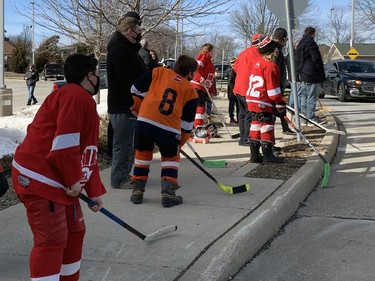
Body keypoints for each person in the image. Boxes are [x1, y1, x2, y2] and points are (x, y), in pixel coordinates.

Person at [11, 53, 106, 281]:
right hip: (39, 178)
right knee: (52, 240)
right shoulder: (75, 95)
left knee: (75, 234)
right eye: (97, 74)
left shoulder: (80, 98)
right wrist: (74, 180)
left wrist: (93, 190)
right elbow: (65, 145)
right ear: (90, 75)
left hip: (60, 179)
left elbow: (86, 151)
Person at [129, 55, 198, 207]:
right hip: (169, 127)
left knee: (142, 155)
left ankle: (137, 192)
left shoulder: (158, 71)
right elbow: (186, 124)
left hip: (145, 122)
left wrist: (139, 108)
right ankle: (168, 194)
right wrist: (180, 142)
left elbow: (135, 89)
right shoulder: (191, 91)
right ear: (191, 72)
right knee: (171, 159)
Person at [107, 11, 147, 189]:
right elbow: (127, 79)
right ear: (130, 31)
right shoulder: (120, 50)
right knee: (123, 146)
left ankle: (125, 175)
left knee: (129, 145)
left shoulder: (127, 49)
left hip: (130, 105)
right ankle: (119, 179)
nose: (140, 32)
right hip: (125, 106)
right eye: (138, 28)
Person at [247, 36, 286, 163]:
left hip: (252, 99)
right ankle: (268, 155)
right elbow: (273, 91)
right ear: (273, 51)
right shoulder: (271, 66)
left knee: (256, 124)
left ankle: (254, 155)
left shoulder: (257, 63)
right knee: (266, 125)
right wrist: (280, 102)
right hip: (262, 100)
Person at [232, 34, 263, 146]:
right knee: (249, 114)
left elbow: (235, 66)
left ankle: (242, 137)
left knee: (241, 114)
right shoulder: (257, 54)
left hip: (239, 87)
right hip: (248, 88)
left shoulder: (244, 52)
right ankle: (246, 138)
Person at [296, 27, 325, 124]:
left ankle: (303, 118)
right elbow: (316, 57)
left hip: (303, 73)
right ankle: (311, 118)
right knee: (311, 96)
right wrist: (318, 66)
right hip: (311, 73)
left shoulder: (301, 43)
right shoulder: (310, 43)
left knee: (303, 96)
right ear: (313, 33)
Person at [272, 27, 294, 135]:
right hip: (275, 86)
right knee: (277, 109)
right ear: (283, 38)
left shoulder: (272, 49)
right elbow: (274, 69)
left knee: (281, 107)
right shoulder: (277, 51)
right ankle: (283, 129)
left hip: (276, 85)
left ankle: (285, 127)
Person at [190, 43, 216, 128]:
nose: (213, 52)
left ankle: (198, 124)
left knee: (202, 107)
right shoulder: (203, 56)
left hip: (204, 88)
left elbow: (211, 77)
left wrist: (212, 90)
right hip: (198, 86)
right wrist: (200, 77)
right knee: (199, 106)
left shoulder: (210, 60)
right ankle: (197, 126)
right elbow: (196, 67)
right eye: (213, 51)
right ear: (210, 50)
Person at [227, 57, 238, 124]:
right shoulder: (230, 70)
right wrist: (233, 89)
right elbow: (230, 81)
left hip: (237, 89)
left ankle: (238, 118)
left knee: (238, 105)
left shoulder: (237, 69)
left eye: (234, 62)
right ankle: (231, 118)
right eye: (232, 63)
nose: (233, 64)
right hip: (232, 90)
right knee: (232, 105)